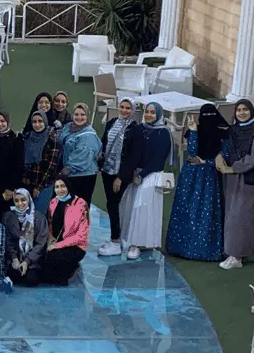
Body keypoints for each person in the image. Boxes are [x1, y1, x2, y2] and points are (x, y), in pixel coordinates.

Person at [166, 105, 229, 261]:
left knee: (206, 212)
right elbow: (192, 153)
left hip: (209, 177)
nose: (208, 119)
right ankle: (182, 247)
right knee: (187, 209)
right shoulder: (194, 131)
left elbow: (224, 158)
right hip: (191, 176)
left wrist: (206, 162)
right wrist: (193, 131)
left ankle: (202, 250)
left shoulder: (223, 135)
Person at [217, 100, 254, 270]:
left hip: (248, 180)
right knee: (233, 216)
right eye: (238, 110)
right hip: (232, 179)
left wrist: (232, 168)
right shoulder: (233, 130)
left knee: (240, 218)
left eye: (245, 109)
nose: (241, 113)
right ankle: (232, 251)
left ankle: (236, 256)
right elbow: (221, 145)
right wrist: (219, 158)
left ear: (251, 111)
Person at [119, 101, 173, 260]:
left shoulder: (163, 133)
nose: (149, 115)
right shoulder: (140, 129)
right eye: (147, 112)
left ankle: (137, 244)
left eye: (152, 112)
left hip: (151, 176)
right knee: (131, 208)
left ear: (158, 115)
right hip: (136, 173)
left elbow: (158, 159)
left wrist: (141, 175)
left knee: (142, 209)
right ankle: (132, 240)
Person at [97, 97, 136, 258]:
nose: (124, 110)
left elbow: (132, 156)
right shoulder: (111, 123)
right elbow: (104, 142)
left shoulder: (135, 129)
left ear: (132, 110)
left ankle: (116, 241)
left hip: (120, 174)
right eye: (122, 107)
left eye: (128, 108)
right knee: (111, 204)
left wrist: (121, 177)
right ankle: (116, 238)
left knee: (115, 205)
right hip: (107, 171)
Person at [41, 177, 89, 285]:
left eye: (63, 186)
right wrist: (50, 239)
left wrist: (58, 245)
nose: (60, 190)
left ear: (68, 187)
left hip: (75, 247)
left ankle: (71, 267)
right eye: (57, 187)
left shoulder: (80, 204)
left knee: (56, 265)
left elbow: (81, 236)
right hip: (56, 242)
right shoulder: (53, 202)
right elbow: (49, 225)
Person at [2, 188, 49, 287]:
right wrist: (14, 258)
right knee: (14, 277)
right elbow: (8, 240)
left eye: (23, 200)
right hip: (16, 257)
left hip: (33, 259)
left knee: (31, 280)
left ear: (28, 199)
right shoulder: (8, 217)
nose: (20, 203)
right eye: (16, 201)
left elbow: (40, 244)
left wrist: (27, 261)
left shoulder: (39, 218)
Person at [57, 103, 102, 205]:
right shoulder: (69, 127)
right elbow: (60, 140)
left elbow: (81, 157)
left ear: (87, 116)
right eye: (76, 114)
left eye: (83, 114)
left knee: (79, 207)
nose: (79, 117)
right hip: (69, 173)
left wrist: (66, 170)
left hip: (82, 176)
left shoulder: (88, 134)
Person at [22, 111, 62, 216]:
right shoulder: (27, 137)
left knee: (38, 216)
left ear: (45, 122)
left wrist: (38, 187)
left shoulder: (52, 139)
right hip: (28, 183)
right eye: (34, 122)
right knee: (25, 215)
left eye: (40, 121)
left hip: (43, 185)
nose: (37, 124)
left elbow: (51, 167)